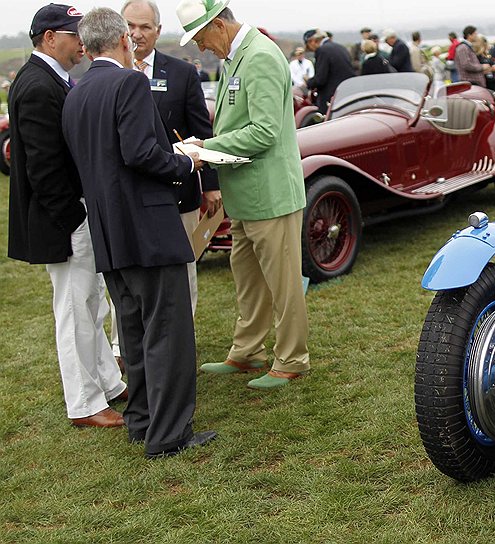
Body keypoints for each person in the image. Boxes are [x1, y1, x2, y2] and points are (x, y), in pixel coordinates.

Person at [62, 7, 215, 458]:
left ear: (88, 47)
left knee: (133, 331)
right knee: (167, 330)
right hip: (148, 227)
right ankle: (169, 435)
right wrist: (188, 161)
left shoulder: (76, 91)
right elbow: (140, 153)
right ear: (125, 41)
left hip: (109, 230)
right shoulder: (129, 82)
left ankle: (142, 420)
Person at [177, 0, 311, 390]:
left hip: (270, 196)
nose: (203, 49)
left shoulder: (261, 56)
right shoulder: (237, 57)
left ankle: (293, 358)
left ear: (219, 25)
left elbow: (265, 131)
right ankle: (248, 350)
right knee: (249, 280)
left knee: (283, 283)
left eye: (202, 39)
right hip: (246, 196)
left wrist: (206, 147)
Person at [7, 3, 127, 429]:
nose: (81, 42)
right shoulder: (38, 86)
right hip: (64, 222)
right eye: (73, 34)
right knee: (76, 311)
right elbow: (44, 168)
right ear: (49, 38)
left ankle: (109, 385)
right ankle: (85, 404)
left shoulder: (52, 79)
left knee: (92, 306)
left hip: (73, 217)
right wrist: (74, 216)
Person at [122, 0, 220, 320]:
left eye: (145, 27)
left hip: (179, 192)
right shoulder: (109, 75)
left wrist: (211, 185)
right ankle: (125, 346)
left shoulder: (181, 74)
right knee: (129, 275)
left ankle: (183, 341)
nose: (137, 34)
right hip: (128, 196)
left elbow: (201, 130)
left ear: (158, 31)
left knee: (183, 271)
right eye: (130, 26)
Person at [305, 27, 355, 111]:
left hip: (331, 96)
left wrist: (309, 82)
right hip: (346, 92)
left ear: (312, 41)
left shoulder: (322, 50)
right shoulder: (340, 47)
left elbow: (320, 79)